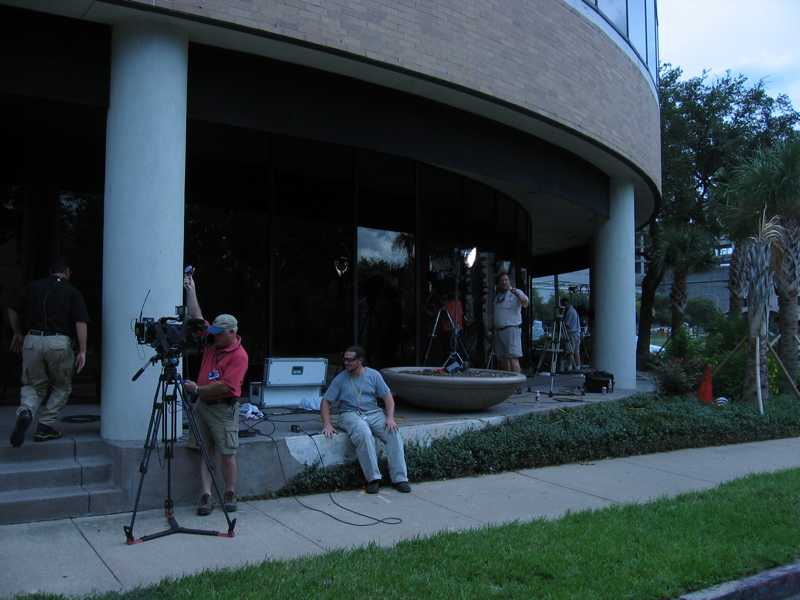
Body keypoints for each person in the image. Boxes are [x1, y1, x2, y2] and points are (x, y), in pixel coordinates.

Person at [182, 273, 249, 516]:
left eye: (221, 333)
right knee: (205, 451)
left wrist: (197, 389)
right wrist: (191, 290)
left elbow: (224, 386)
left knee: (226, 453)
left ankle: (229, 491)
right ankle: (206, 494)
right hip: (203, 407)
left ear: (232, 332)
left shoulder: (239, 356)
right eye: (215, 332)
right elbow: (198, 319)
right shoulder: (213, 341)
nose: (215, 336)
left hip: (222, 407)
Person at [8, 256, 89, 447]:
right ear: (68, 272)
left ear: (50, 272)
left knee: (32, 385)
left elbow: (12, 308)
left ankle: (27, 411)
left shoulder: (32, 287)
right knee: (61, 386)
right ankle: (44, 427)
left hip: (32, 340)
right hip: (58, 342)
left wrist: (18, 333)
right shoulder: (72, 292)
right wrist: (83, 351)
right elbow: (80, 322)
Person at [320, 345, 410, 494]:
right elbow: (326, 401)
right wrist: (327, 424)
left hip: (374, 412)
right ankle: (373, 478)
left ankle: (400, 479)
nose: (346, 363)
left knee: (393, 433)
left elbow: (388, 397)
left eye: (350, 360)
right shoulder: (340, 379)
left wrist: (390, 418)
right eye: (345, 360)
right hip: (350, 414)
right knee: (364, 433)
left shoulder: (374, 375)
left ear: (360, 360)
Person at [490, 272, 528, 374]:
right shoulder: (498, 296)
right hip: (499, 331)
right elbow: (496, 314)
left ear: (509, 281)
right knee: (502, 357)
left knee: (512, 356)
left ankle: (516, 384)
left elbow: (525, 302)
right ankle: (508, 381)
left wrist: (517, 294)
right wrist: (494, 330)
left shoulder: (516, 292)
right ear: (499, 283)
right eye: (501, 281)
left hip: (511, 329)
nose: (504, 282)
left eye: (506, 280)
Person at [440, 292, 471, 365]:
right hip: (449, 330)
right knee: (451, 350)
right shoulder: (446, 304)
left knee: (459, 350)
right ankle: (452, 367)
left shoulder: (458, 303)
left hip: (458, 328)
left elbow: (461, 315)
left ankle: (458, 366)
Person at [560, 297, 582, 372]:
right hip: (577, 333)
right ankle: (578, 367)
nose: (564, 306)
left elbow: (567, 324)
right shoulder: (573, 311)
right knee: (576, 351)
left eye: (564, 304)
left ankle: (569, 368)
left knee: (570, 351)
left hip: (571, 333)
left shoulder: (570, 312)